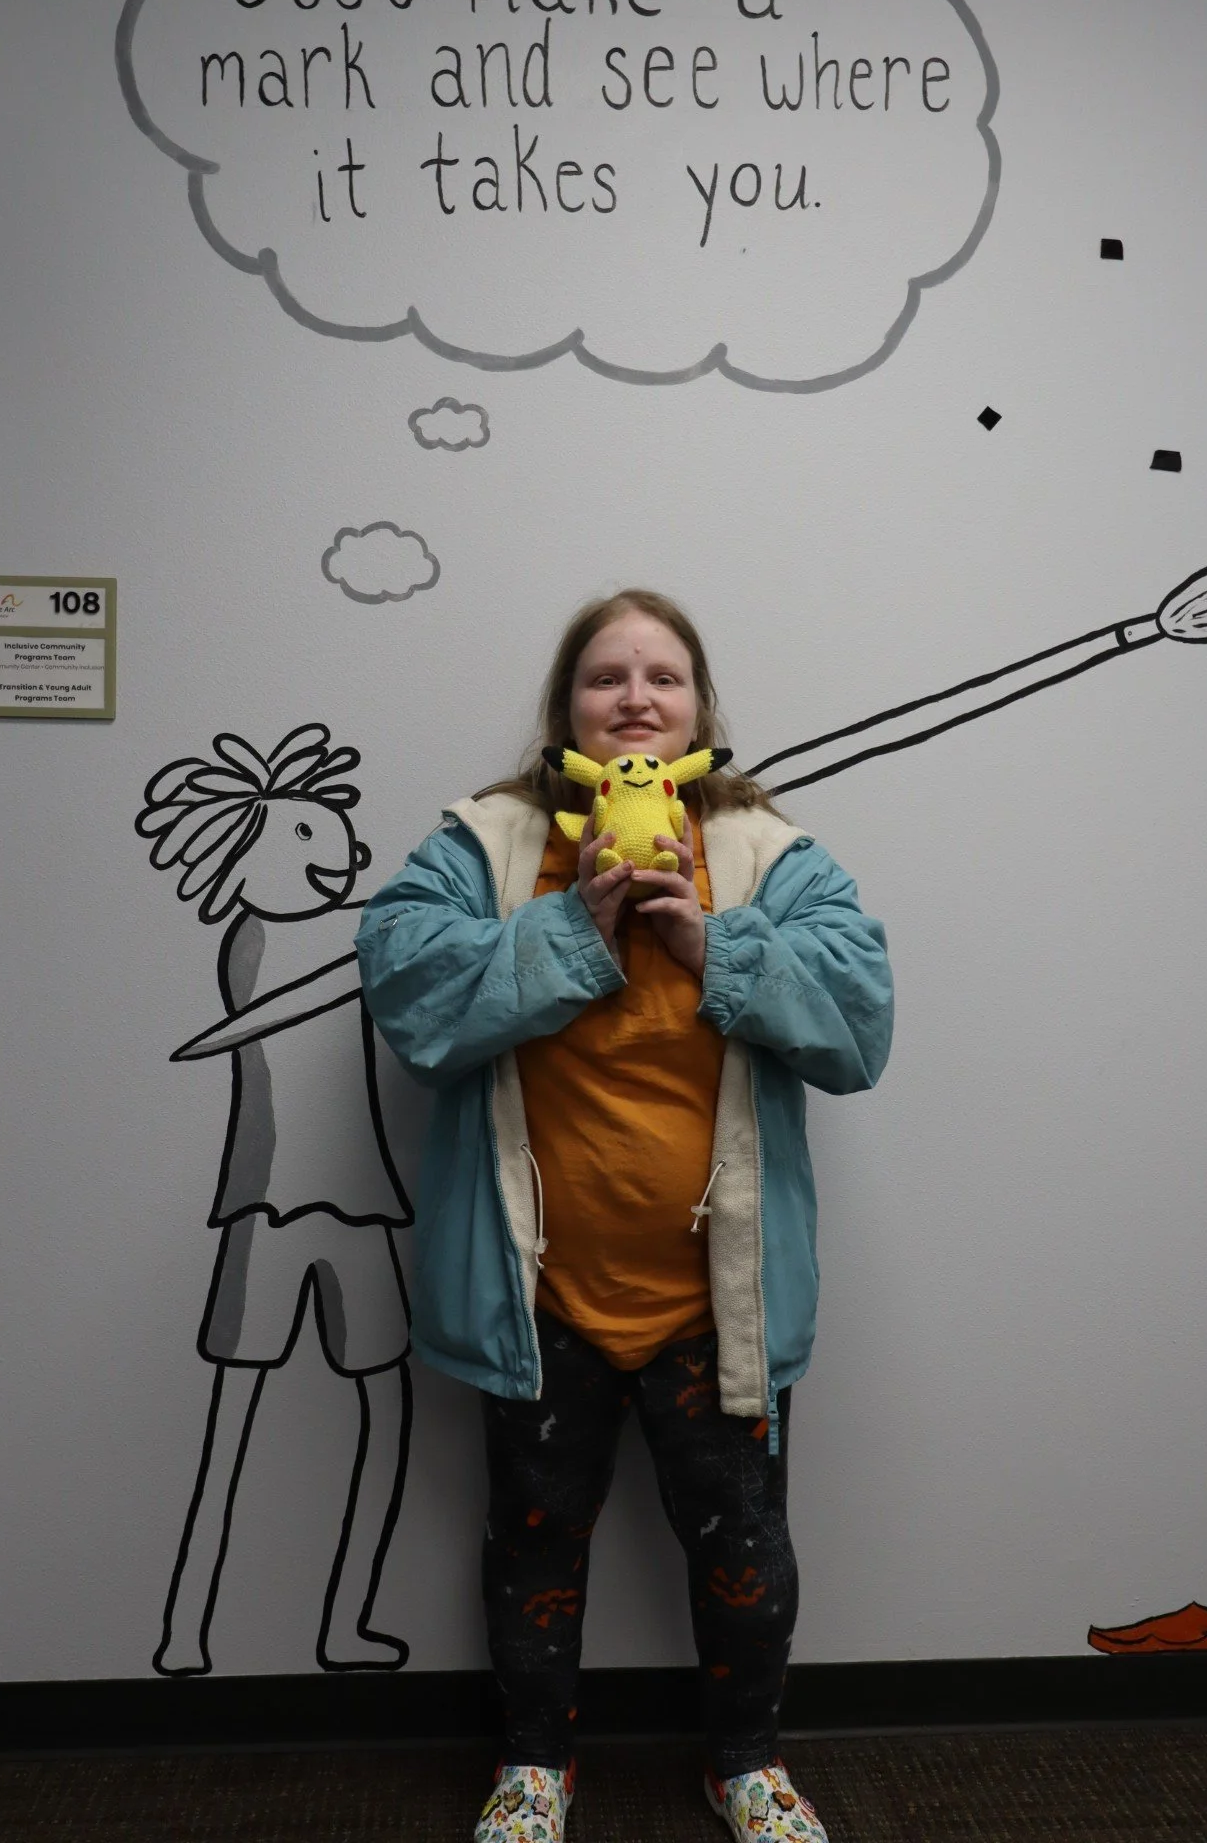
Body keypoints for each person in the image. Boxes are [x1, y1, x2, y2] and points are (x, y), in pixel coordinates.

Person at [357, 591, 893, 1843]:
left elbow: (858, 1023)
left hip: (722, 1300)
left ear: (702, 711)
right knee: (531, 1545)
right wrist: (574, 919)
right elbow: (408, 991)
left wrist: (712, 944)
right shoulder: (482, 844)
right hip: (535, 1294)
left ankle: (746, 1764)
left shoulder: (767, 849)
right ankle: (534, 1768)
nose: (636, 699)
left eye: (664, 676)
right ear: (565, 713)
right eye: (607, 678)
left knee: (745, 1552)